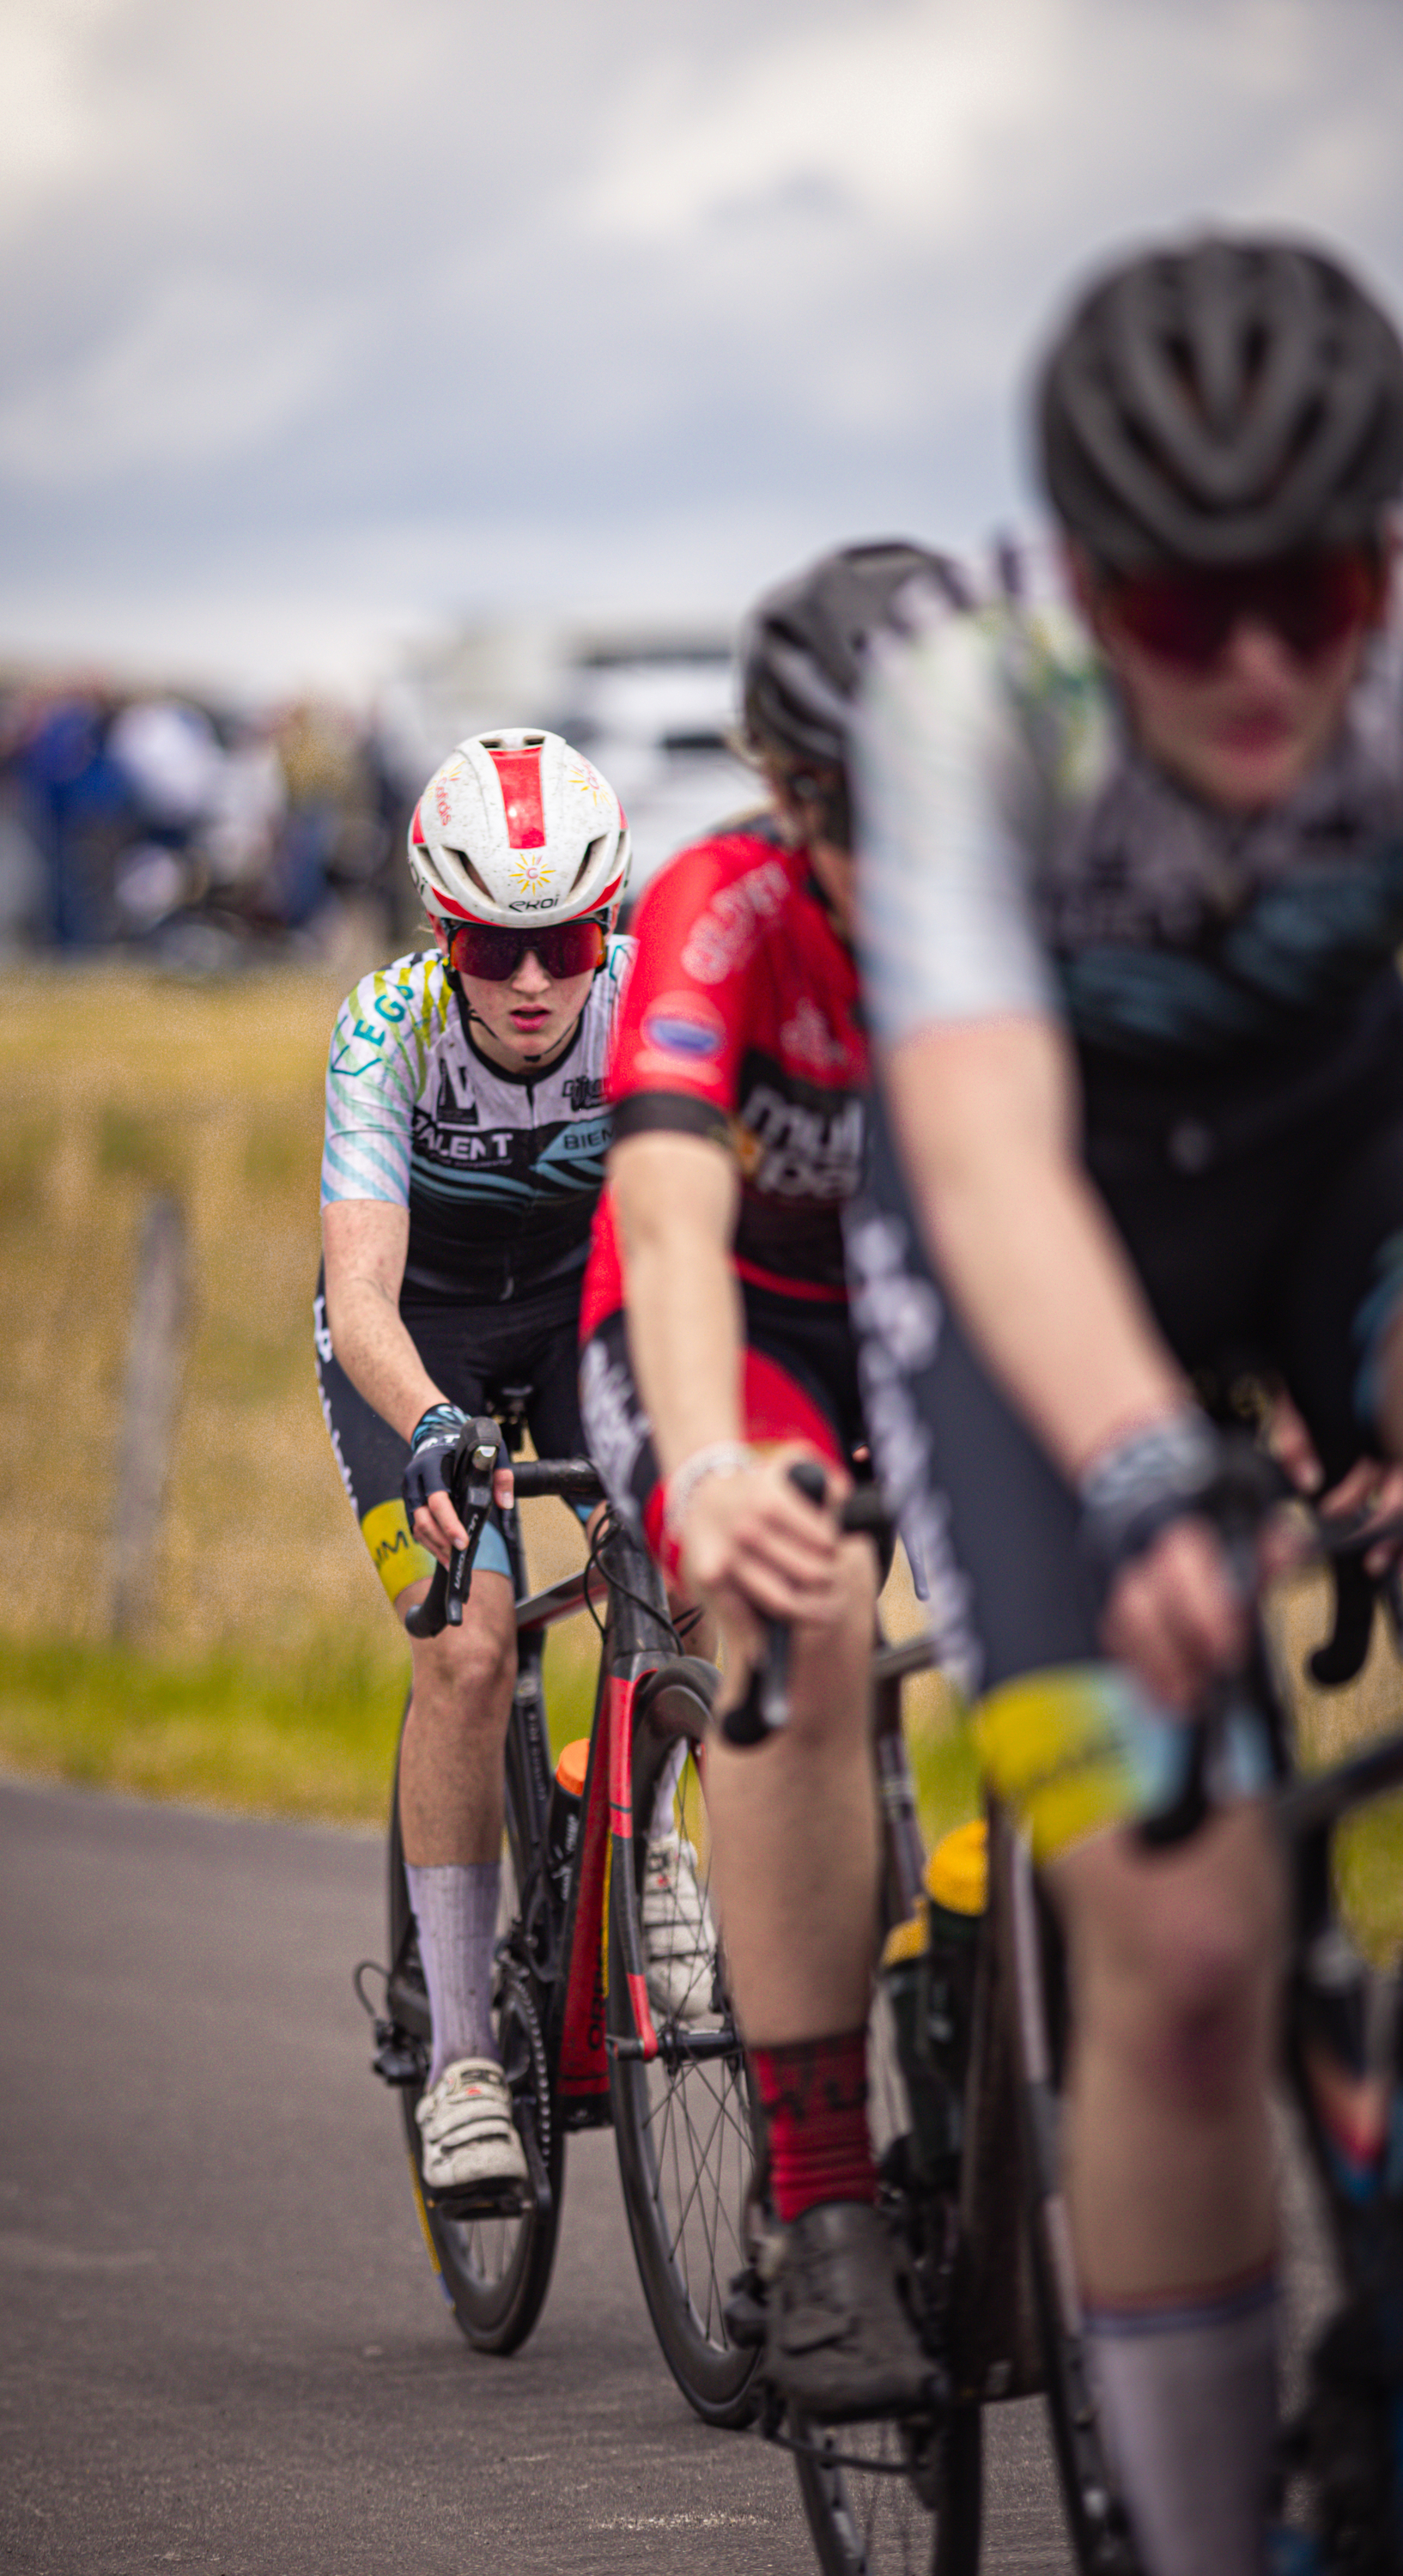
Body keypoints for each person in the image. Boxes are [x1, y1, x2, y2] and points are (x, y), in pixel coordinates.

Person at [847, 232, 1403, 2576]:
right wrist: (1151, 1461)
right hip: (1041, 1254)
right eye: (1193, 611)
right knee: (1178, 1949)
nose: (1267, 662)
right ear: (1086, 583)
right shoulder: (973, 707)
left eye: (1321, 587)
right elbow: (982, 1154)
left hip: (1336, 1193)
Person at [578, 544, 950, 2420]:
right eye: (881, 822)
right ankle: (818, 2222)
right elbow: (661, 1202)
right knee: (793, 1607)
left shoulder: (1033, 908)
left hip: (930, 1318)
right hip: (729, 1326)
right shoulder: (718, 909)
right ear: (796, 803)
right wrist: (713, 1459)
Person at [317, 726, 635, 2200]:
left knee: (692, 1550)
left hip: (584, 1299)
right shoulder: (383, 1032)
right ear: (442, 934)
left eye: (562, 941)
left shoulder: (650, 1011)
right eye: (489, 946)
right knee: (470, 1645)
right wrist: (436, 1419)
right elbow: (363, 1296)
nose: (528, 982)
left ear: (606, 926)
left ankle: (658, 1845)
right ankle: (458, 2061)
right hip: (421, 1332)